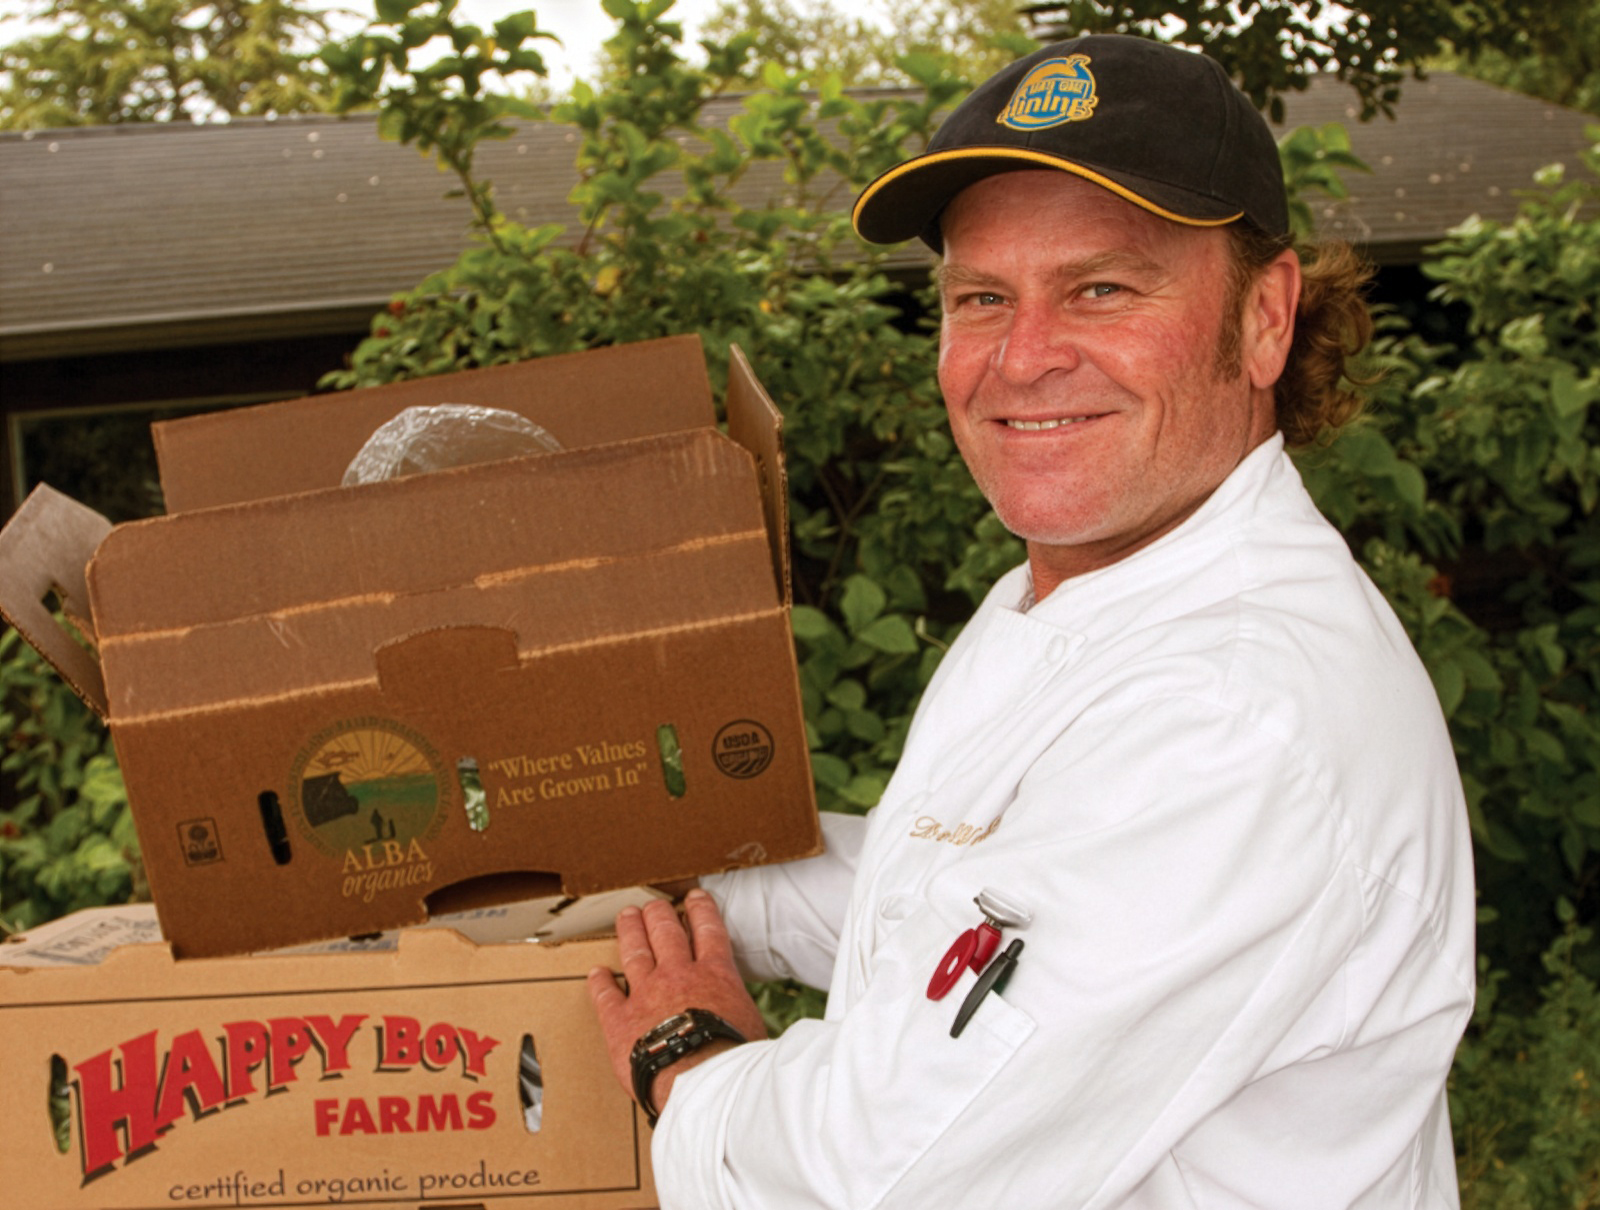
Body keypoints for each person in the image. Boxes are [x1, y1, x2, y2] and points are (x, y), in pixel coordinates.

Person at [587, 33, 1476, 1209]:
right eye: (980, 298)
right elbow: (958, 911)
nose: (1022, 358)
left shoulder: (1235, 714)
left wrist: (683, 1056)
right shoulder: (1093, 592)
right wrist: (672, 875)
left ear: (1265, 317)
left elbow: (880, 1178)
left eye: (1101, 288)